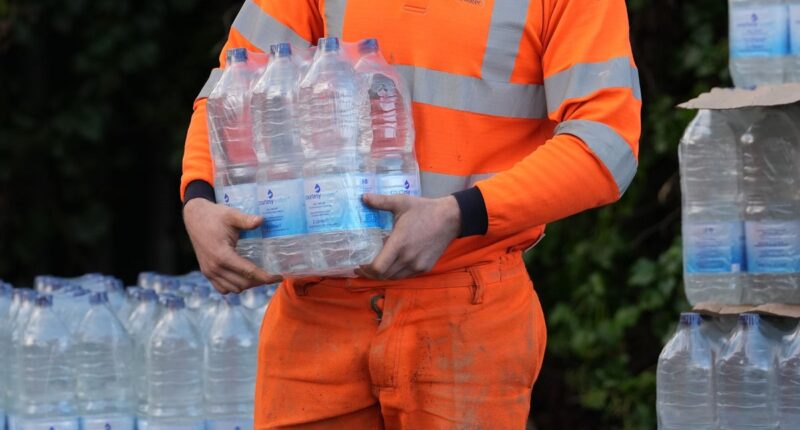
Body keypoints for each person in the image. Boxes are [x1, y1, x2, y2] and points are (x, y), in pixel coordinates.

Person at [181, 1, 641, 428]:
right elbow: (233, 83)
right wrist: (199, 197)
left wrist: (458, 215)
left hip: (466, 310)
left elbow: (606, 145)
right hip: (318, 301)